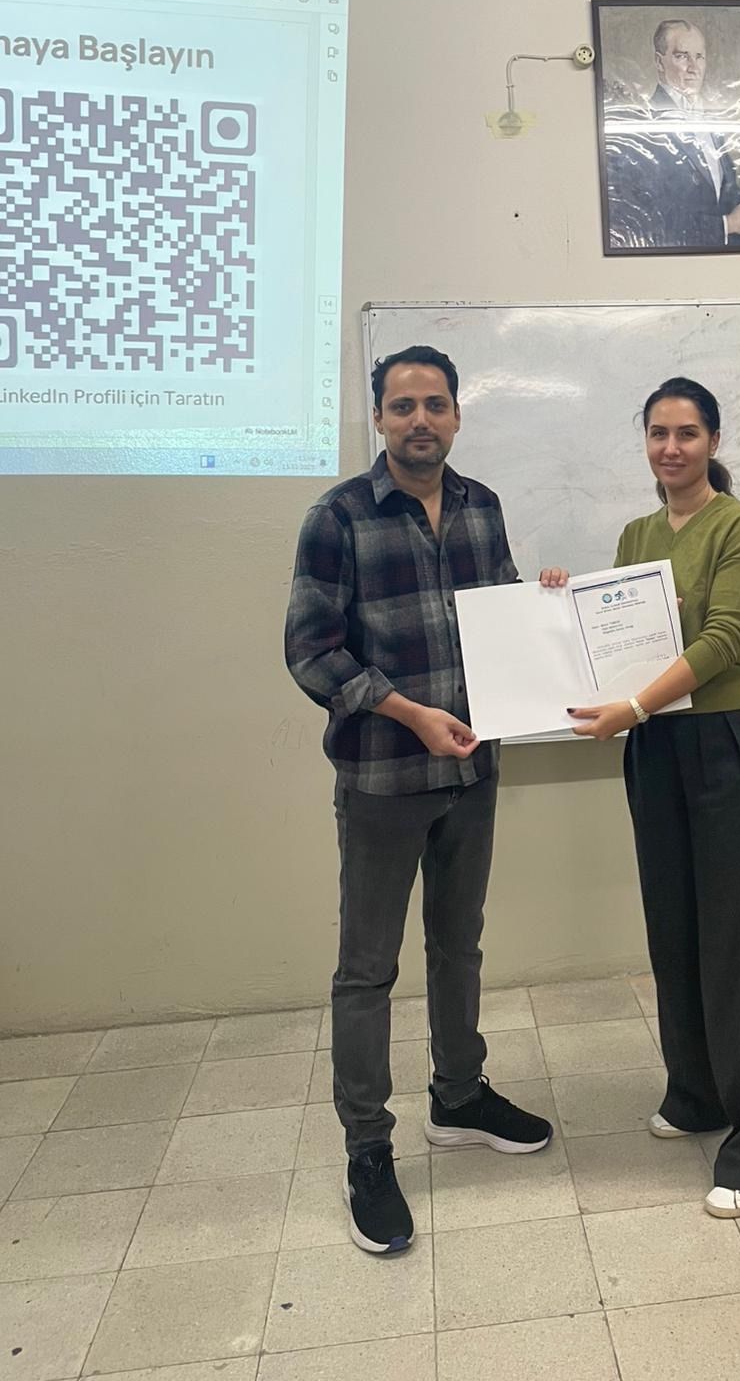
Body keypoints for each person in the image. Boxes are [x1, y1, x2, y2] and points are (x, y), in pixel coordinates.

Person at [285, 345, 552, 1257]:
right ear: (379, 418)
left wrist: (547, 603)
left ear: (457, 414)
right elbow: (311, 652)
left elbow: (504, 623)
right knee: (367, 971)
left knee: (458, 943)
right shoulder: (337, 519)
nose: (420, 420)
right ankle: (367, 1147)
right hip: (383, 779)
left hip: (472, 772)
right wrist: (408, 713)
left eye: (436, 404)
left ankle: (459, 1096)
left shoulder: (482, 507)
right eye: (402, 406)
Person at [552, 376, 740, 1218]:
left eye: (687, 433)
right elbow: (617, 638)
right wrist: (559, 602)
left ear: (714, 441)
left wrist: (632, 707)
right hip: (657, 745)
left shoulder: (739, 527)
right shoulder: (637, 533)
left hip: (724, 740)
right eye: (658, 433)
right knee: (677, 926)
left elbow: (725, 639)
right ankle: (697, 1092)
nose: (671, 448)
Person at [604, 19, 740, 251]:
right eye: (682, 56)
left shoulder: (710, 120)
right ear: (659, 62)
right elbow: (650, 219)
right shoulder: (643, 126)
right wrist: (728, 225)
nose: (694, 67)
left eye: (699, 57)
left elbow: (724, 192)